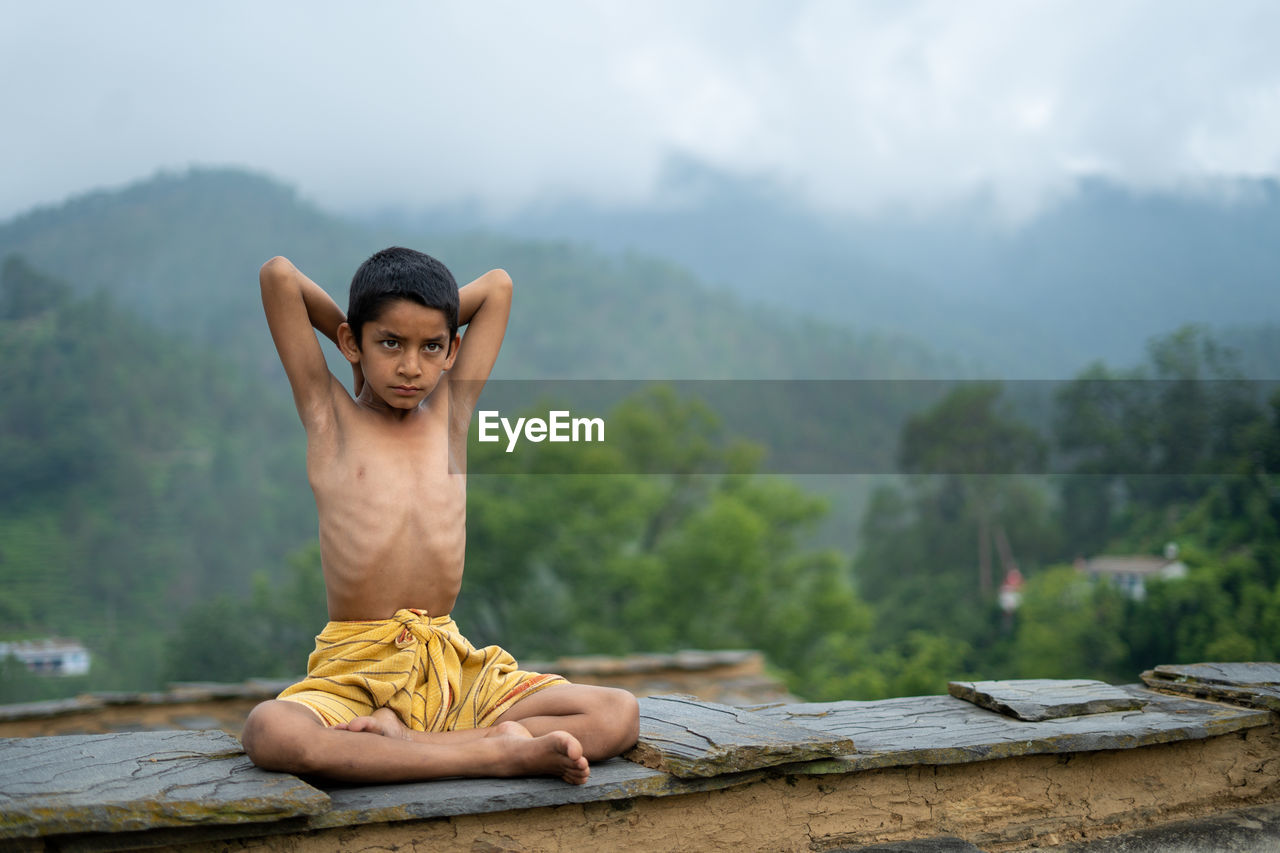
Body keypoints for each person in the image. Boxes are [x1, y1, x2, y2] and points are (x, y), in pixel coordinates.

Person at [240, 248, 639, 785]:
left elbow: (498, 286)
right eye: (390, 344)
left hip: (454, 668)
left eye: (431, 346)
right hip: (359, 670)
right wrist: (355, 353)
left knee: (618, 713)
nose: (411, 366)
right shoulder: (330, 418)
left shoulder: (451, 414)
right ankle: (489, 754)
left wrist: (381, 336)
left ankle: (413, 744)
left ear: (454, 349)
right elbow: (278, 277)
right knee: (272, 731)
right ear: (350, 341)